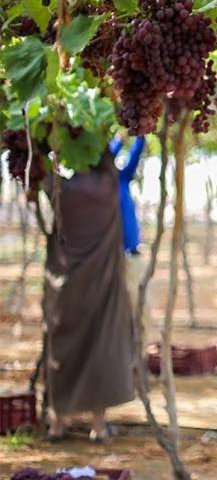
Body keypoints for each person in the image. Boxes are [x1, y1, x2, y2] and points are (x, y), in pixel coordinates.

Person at [42, 147, 136, 443]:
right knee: (101, 350)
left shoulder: (61, 190)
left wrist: (52, 134)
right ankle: (98, 426)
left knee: (62, 351)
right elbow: (108, 153)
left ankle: (57, 424)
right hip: (102, 289)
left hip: (66, 290)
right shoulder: (108, 186)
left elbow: (40, 170)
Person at [109, 136, 146, 309]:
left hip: (132, 254)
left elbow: (136, 154)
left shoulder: (123, 179)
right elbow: (107, 156)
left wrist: (139, 134)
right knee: (115, 305)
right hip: (111, 256)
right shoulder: (101, 186)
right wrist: (119, 141)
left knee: (136, 302)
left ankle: (138, 335)